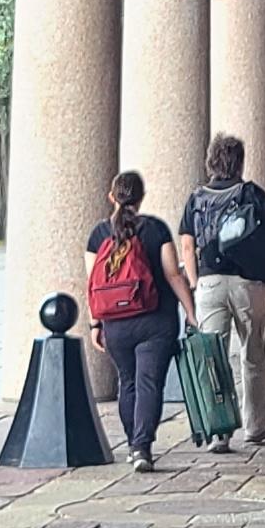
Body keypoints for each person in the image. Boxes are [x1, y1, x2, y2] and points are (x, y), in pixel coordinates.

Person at [86, 165, 194, 472]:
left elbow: (92, 284)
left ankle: (133, 441)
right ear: (141, 197)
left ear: (111, 197)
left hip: (115, 323)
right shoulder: (156, 229)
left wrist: (95, 324)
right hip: (156, 320)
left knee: (128, 382)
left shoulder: (98, 235)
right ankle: (141, 447)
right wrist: (190, 311)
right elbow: (173, 275)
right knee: (149, 383)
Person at [180, 129, 265, 449]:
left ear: (211, 161)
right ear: (239, 162)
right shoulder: (251, 194)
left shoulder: (196, 198)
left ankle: (219, 431)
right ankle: (256, 426)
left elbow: (187, 245)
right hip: (249, 283)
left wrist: (196, 283)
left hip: (209, 282)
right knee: (254, 355)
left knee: (214, 356)